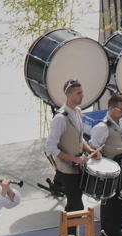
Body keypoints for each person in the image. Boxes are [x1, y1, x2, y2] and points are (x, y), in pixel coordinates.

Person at [45, 79, 102, 212]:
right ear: (69, 95)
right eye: (79, 93)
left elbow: (79, 139)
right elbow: (50, 148)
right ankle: (70, 232)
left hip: (78, 166)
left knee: (74, 203)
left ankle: (70, 232)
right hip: (67, 168)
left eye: (82, 92)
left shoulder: (77, 111)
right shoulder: (60, 118)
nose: (82, 96)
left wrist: (91, 150)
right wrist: (75, 159)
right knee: (76, 205)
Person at [88, 92, 122, 236]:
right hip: (109, 167)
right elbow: (93, 146)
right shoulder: (102, 127)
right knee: (108, 203)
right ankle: (106, 235)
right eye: (120, 110)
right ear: (110, 108)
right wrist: (97, 157)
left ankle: (117, 232)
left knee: (120, 199)